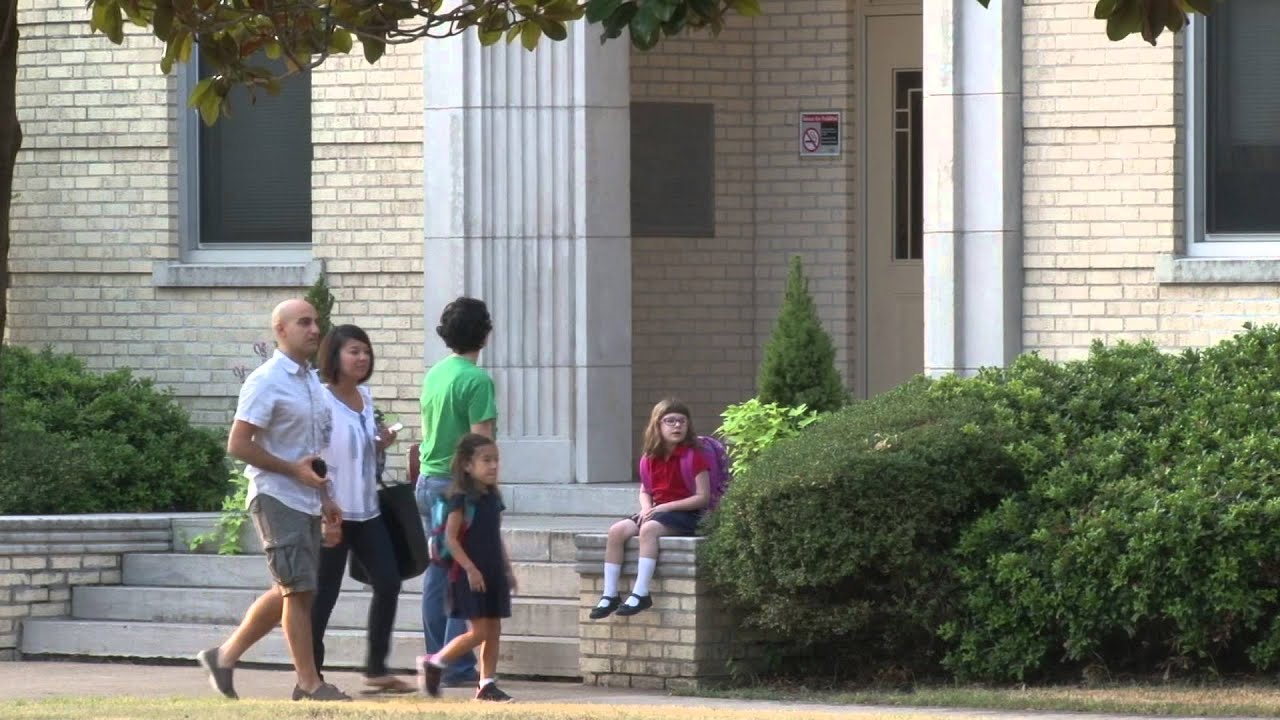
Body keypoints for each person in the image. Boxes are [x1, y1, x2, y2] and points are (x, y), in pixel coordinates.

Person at [196, 298, 350, 702]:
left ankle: (224, 656)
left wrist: (326, 496)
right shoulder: (266, 381)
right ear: (280, 330)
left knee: (291, 587)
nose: (315, 330)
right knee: (298, 591)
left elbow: (312, 451)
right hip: (275, 495)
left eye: (316, 322)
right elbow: (238, 445)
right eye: (304, 322)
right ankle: (309, 683)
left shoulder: (312, 383)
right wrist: (292, 472)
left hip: (306, 496)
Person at [309, 324, 412, 694]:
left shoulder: (366, 398)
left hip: (367, 510)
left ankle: (376, 667)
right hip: (333, 511)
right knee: (323, 597)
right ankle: (311, 677)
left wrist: (380, 443)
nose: (362, 357)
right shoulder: (319, 400)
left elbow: (361, 454)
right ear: (334, 355)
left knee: (388, 581)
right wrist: (323, 505)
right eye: (354, 351)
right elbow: (314, 458)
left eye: (366, 351)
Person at [414, 297, 496, 687]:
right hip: (457, 486)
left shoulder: (436, 373)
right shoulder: (477, 380)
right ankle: (456, 664)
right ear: (485, 333)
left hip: (427, 480)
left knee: (436, 574)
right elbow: (481, 445)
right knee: (463, 575)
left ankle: (438, 658)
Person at [589, 398, 711, 619]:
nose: (677, 426)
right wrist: (646, 508)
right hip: (658, 511)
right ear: (657, 425)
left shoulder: (693, 456)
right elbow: (645, 490)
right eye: (670, 421)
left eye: (682, 421)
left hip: (686, 514)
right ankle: (609, 594)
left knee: (649, 530)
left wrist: (664, 507)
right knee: (616, 531)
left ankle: (641, 592)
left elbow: (702, 497)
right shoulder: (650, 458)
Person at [416, 433, 516, 702]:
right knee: (480, 631)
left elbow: (495, 538)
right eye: (486, 460)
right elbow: (451, 538)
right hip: (468, 575)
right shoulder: (460, 498)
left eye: (496, 460)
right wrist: (470, 569)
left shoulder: (493, 497)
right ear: (468, 465)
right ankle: (435, 661)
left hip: (491, 572)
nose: (494, 466)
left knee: (493, 629)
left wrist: (507, 570)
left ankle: (486, 684)